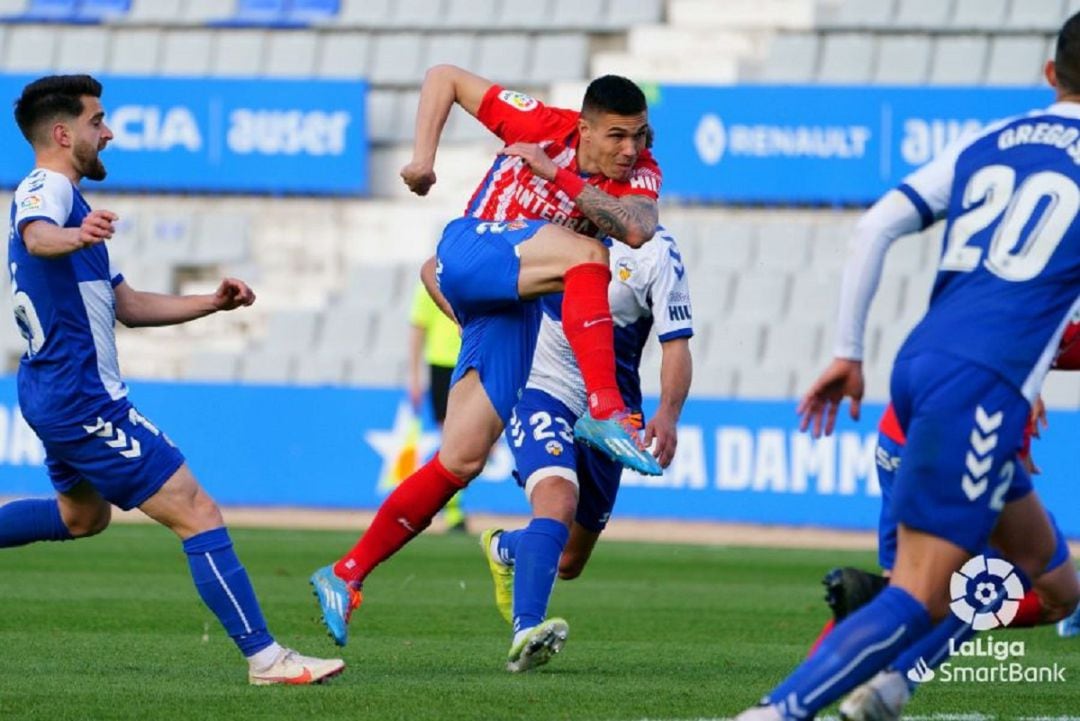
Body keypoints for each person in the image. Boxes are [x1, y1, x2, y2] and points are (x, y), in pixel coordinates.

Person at [737, 13, 1080, 719]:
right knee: (922, 591)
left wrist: (847, 351)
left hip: (922, 361)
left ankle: (889, 681)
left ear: (1051, 75)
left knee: (1052, 579)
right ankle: (779, 710)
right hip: (979, 387)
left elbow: (874, 225)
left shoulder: (991, 142)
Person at [0, 75, 344, 685]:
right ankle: (266, 658)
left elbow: (127, 306)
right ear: (62, 133)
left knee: (82, 518)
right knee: (198, 511)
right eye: (96, 121)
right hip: (82, 399)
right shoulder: (47, 188)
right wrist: (72, 235)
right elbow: (36, 235)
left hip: (52, 390)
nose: (107, 133)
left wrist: (210, 303)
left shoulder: (69, 204)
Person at [310, 66, 666, 646]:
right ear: (584, 128)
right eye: (617, 136)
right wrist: (424, 159)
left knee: (461, 460)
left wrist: (556, 176)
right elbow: (443, 78)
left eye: (640, 135)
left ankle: (345, 573)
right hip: (474, 244)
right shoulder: (538, 121)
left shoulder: (640, 171)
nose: (631, 150)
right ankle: (605, 407)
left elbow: (636, 230)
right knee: (585, 258)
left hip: (508, 304)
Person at [480, 224, 693, 671]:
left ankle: (506, 548)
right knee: (556, 501)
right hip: (542, 388)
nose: (627, 150)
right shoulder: (546, 226)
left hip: (611, 410)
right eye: (619, 145)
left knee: (570, 560)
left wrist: (668, 413)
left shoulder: (657, 250)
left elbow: (676, 343)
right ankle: (526, 631)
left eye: (637, 147)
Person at [408, 280, 467, 532]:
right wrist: (414, 377)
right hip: (442, 364)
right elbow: (417, 330)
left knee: (465, 440)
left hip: (470, 359)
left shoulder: (471, 281)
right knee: (451, 439)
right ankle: (452, 510)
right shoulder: (429, 285)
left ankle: (449, 505)